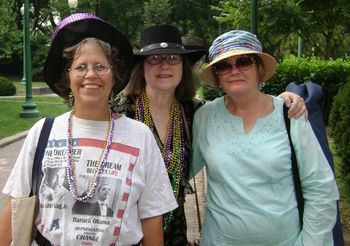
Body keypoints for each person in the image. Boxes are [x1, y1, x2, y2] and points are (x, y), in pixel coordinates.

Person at [111, 24, 307, 245]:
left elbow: (240, 105)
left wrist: (283, 100)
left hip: (174, 233)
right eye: (154, 58)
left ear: (183, 67)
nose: (164, 65)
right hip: (124, 230)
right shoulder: (117, 113)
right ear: (142, 67)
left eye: (173, 58)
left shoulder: (195, 113)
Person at [0, 13, 177, 246]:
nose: (90, 74)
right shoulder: (43, 132)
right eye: (80, 67)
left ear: (115, 77)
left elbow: (151, 217)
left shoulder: (139, 136)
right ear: (68, 77)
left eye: (100, 67)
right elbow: (17, 202)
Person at [192, 30, 339, 245]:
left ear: (260, 69)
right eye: (224, 66)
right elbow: (180, 169)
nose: (234, 70)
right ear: (217, 77)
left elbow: (321, 189)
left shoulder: (290, 114)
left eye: (244, 61)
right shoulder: (204, 116)